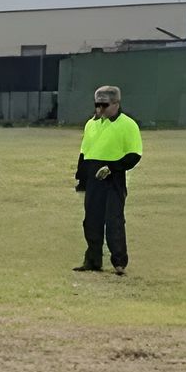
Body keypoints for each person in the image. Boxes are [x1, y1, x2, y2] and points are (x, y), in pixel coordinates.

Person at [73, 84, 143, 275]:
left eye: (105, 105)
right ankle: (92, 261)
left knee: (114, 221)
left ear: (116, 104)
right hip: (93, 177)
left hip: (113, 179)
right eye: (98, 105)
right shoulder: (91, 124)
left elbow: (134, 155)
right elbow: (84, 152)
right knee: (91, 221)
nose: (100, 109)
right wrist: (81, 177)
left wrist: (112, 168)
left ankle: (119, 262)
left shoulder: (128, 125)